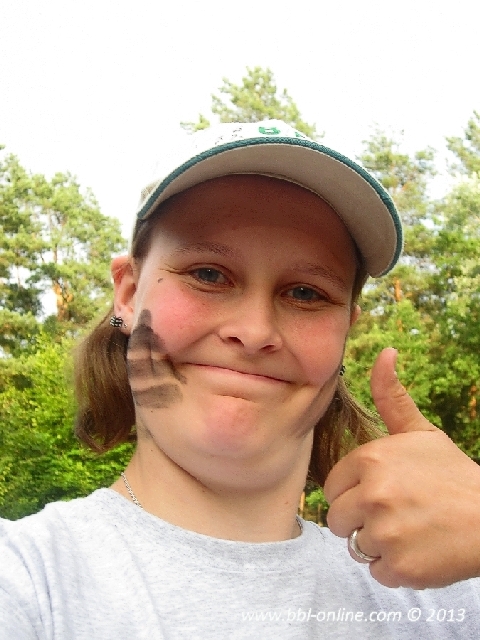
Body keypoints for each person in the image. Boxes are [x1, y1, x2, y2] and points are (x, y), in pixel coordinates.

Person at [1, 120, 480, 639]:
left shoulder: (453, 592)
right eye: (208, 274)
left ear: (347, 329)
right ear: (129, 294)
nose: (254, 332)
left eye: (305, 293)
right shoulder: (25, 580)